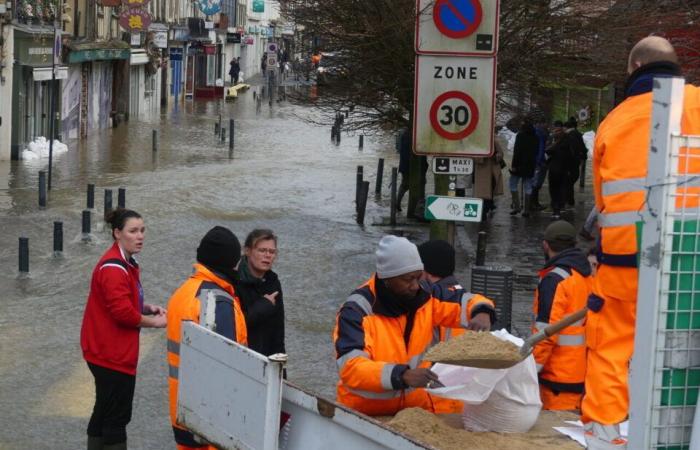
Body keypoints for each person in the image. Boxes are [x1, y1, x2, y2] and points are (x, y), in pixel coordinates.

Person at [583, 36, 700, 449]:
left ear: (634, 68)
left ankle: (606, 437)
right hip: (693, 262)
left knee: (611, 350)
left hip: (624, 264)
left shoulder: (613, 122)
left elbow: (601, 203)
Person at [333, 235, 495, 416]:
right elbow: (351, 368)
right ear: (387, 279)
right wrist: (402, 375)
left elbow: (464, 300)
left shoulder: (425, 296)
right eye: (408, 279)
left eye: (418, 277)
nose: (415, 286)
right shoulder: (356, 311)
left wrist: (482, 311)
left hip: (412, 412)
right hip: (363, 414)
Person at [80, 208, 167, 450]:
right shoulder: (113, 268)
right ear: (117, 233)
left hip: (102, 350)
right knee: (117, 418)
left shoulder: (125, 261)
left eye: (142, 230)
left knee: (103, 411)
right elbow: (122, 313)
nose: (140, 236)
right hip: (111, 354)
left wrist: (146, 307)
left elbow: (122, 303)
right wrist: (155, 323)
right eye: (133, 231)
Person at [166, 226, 248, 450]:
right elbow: (228, 368)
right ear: (229, 263)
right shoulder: (218, 302)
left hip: (181, 407)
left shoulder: (183, 292)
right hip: (211, 417)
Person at [532, 221, 591, 412]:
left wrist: (532, 369)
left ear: (545, 245)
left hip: (557, 377)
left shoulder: (554, 280)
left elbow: (546, 332)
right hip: (581, 371)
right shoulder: (585, 275)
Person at [417, 239, 496, 341]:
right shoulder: (457, 292)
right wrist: (484, 311)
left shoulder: (431, 294)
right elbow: (471, 300)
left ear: (425, 270)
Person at [236, 229, 285, 357]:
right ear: (247, 251)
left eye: (272, 252)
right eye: (262, 250)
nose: (268, 255)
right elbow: (235, 326)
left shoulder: (273, 282)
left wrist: (280, 370)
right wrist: (263, 307)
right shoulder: (234, 282)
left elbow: (278, 332)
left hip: (267, 358)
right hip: (240, 356)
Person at [509, 119, 539, 217]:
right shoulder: (535, 137)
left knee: (513, 184)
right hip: (530, 166)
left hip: (519, 165)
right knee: (528, 186)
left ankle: (517, 206)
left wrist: (514, 165)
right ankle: (526, 210)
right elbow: (536, 152)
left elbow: (517, 151)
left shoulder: (520, 136)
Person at [474, 129, 506, 218]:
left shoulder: (494, 140)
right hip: (481, 171)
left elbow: (500, 154)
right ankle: (483, 211)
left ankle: (486, 209)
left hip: (492, 171)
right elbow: (475, 158)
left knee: (489, 190)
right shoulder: (478, 142)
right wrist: (484, 156)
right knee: (482, 193)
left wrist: (495, 156)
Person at [545, 120, 572, 220]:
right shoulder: (566, 142)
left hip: (556, 169)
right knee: (559, 189)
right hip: (561, 169)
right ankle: (558, 208)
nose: (556, 133)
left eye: (557, 131)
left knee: (555, 190)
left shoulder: (557, 143)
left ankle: (557, 209)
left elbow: (548, 151)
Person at [564, 117, 587, 207]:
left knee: (567, 183)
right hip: (576, 163)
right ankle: (569, 201)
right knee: (569, 182)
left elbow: (572, 150)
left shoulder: (570, 135)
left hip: (571, 163)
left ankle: (568, 202)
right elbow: (583, 149)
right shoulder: (578, 134)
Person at [531, 119, 550, 210]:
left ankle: (532, 203)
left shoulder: (534, 132)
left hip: (533, 161)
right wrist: (540, 161)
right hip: (539, 162)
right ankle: (534, 204)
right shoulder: (541, 134)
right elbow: (541, 148)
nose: (547, 125)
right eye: (546, 123)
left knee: (534, 183)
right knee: (537, 183)